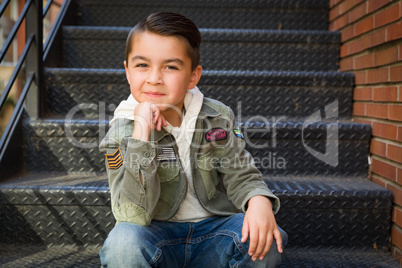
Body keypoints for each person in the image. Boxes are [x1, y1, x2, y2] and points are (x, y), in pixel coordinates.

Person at [99, 12, 287, 268]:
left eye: (171, 67)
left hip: (215, 233)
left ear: (192, 76)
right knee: (123, 245)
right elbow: (132, 215)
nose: (154, 78)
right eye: (142, 65)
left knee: (264, 238)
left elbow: (240, 173)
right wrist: (142, 132)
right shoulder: (120, 133)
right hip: (156, 235)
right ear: (128, 72)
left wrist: (258, 200)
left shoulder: (216, 117)